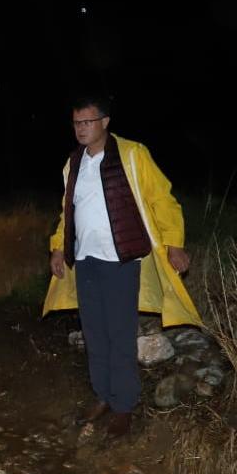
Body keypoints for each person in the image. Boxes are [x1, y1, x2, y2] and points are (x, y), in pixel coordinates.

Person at [43, 94, 202, 437]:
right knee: (95, 335)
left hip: (120, 261)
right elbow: (66, 213)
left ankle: (124, 407)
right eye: (76, 123)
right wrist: (58, 248)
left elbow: (162, 198)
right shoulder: (73, 164)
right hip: (84, 261)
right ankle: (102, 395)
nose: (81, 129)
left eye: (87, 122)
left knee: (119, 335)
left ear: (104, 122)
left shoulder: (132, 154)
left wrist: (174, 243)